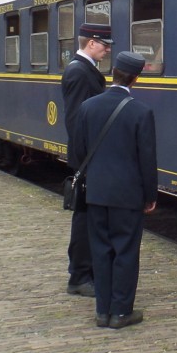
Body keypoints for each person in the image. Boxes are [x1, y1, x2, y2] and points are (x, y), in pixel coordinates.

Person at [75, 50, 157, 329]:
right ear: (136, 78)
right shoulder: (141, 112)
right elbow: (147, 159)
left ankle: (102, 311)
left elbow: (78, 152)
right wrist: (150, 196)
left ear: (113, 73)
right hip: (128, 196)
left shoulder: (88, 107)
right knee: (125, 251)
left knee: (101, 250)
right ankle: (121, 312)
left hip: (96, 193)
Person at [60, 23, 113, 298]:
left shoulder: (81, 69)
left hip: (89, 156)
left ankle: (84, 272)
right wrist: (88, 159)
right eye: (105, 44)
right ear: (91, 43)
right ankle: (79, 275)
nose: (108, 50)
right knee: (84, 217)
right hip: (88, 157)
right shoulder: (80, 72)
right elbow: (76, 120)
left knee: (88, 216)